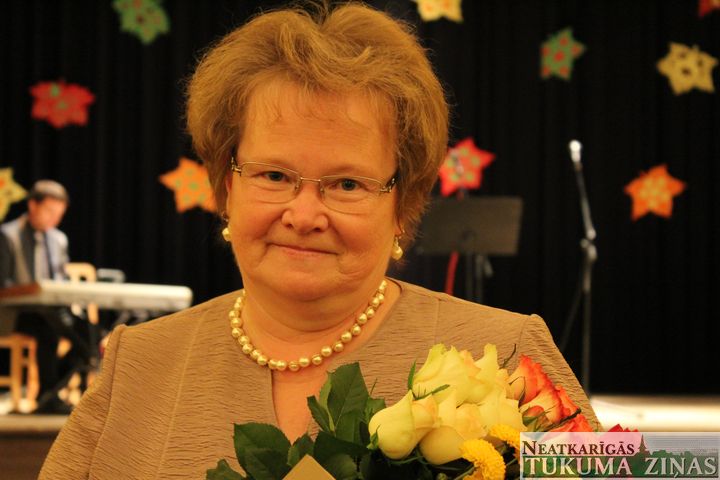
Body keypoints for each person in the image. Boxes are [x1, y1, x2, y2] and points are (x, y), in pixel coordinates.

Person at [40, 2, 599, 477]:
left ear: (402, 205)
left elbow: (614, 468)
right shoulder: (138, 362)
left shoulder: (507, 354)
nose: (304, 214)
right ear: (227, 186)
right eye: (273, 175)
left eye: (347, 184)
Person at [0, 180, 89, 414]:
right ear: (33, 205)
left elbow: (62, 278)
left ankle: (51, 392)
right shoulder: (8, 236)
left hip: (52, 310)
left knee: (88, 333)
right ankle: (47, 396)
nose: (54, 219)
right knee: (47, 328)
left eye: (59, 214)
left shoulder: (58, 239)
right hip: (16, 313)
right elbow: (2, 286)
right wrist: (33, 290)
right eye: (49, 211)